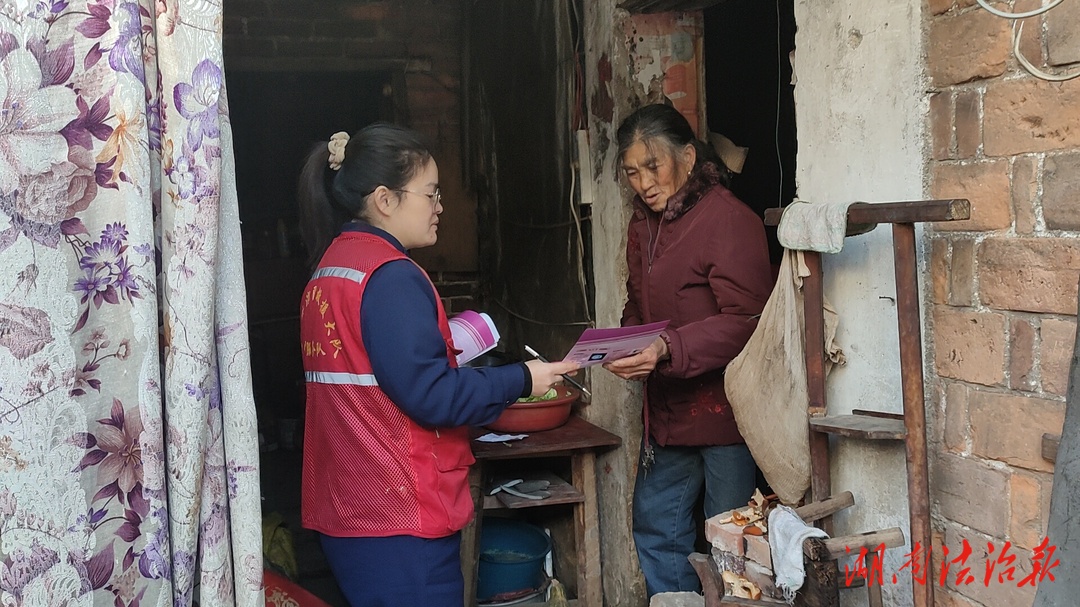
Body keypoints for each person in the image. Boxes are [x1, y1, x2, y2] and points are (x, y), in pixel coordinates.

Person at [296, 122, 578, 607]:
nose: (440, 207)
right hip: (398, 514)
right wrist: (523, 377)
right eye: (430, 194)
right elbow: (433, 396)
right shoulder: (390, 277)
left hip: (348, 506)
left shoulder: (331, 267)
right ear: (385, 200)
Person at [601, 104, 773, 596]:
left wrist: (666, 347)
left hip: (724, 417)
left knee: (730, 544)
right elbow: (638, 301)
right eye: (632, 172)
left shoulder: (728, 220)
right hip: (668, 414)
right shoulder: (643, 226)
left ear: (689, 155)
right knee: (659, 533)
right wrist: (628, 343)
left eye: (653, 166)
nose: (643, 182)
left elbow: (748, 321)